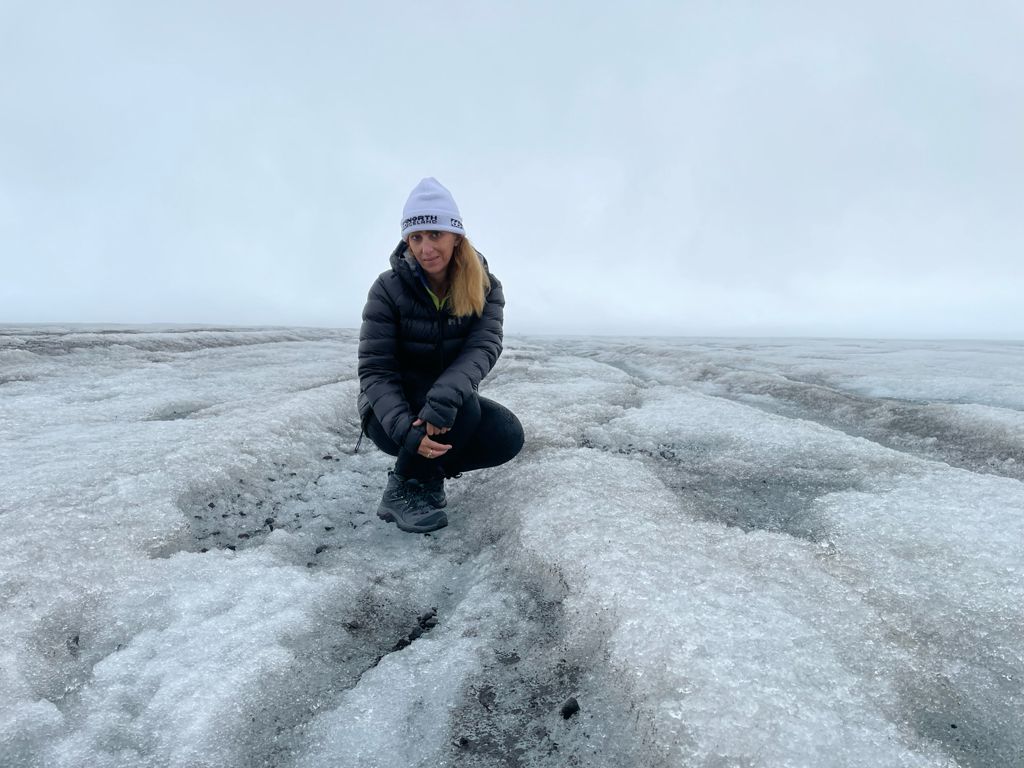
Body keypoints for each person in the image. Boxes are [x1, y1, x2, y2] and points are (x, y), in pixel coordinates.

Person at [357, 178, 524, 533]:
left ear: (456, 237)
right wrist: (405, 429)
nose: (425, 247)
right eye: (415, 237)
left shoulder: (485, 287)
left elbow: (484, 346)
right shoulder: (387, 288)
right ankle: (404, 487)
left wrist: (442, 400)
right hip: (389, 413)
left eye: (435, 234)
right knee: (461, 405)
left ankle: (426, 476)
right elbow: (376, 370)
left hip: (446, 408)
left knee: (507, 435)